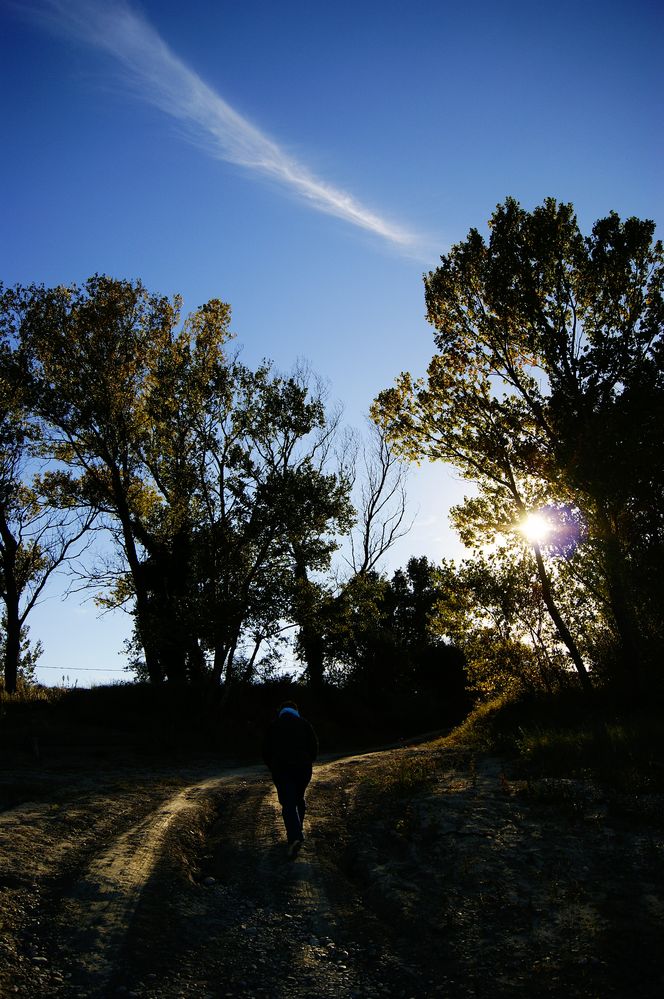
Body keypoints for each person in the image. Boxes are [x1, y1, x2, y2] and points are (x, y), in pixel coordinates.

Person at [262, 700, 319, 859]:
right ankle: (297, 829)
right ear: (295, 710)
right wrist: (308, 761)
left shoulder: (274, 725)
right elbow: (314, 747)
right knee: (299, 798)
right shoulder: (305, 724)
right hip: (303, 768)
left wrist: (272, 765)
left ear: (281, 711)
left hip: (281, 768)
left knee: (288, 802)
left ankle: (294, 836)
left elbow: (265, 749)